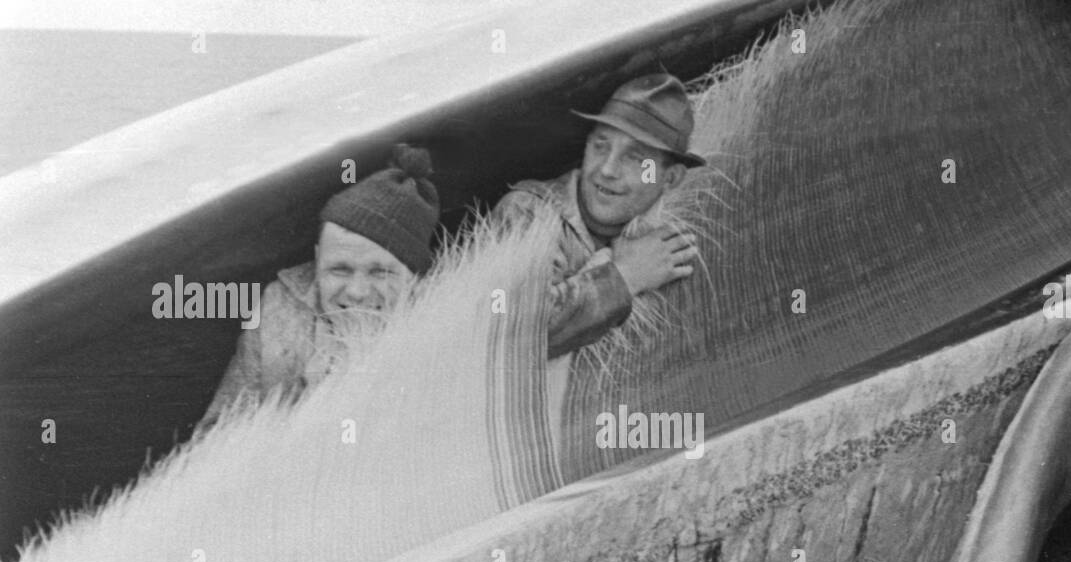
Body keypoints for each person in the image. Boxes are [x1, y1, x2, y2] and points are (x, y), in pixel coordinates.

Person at [492, 74, 705, 434]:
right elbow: (514, 337)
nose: (606, 168)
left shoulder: (664, 235)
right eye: (600, 146)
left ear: (670, 180)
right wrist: (624, 277)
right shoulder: (528, 212)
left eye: (634, 157)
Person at [200, 143, 440, 427]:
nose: (357, 292)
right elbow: (220, 429)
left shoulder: (441, 325)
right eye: (340, 270)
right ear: (317, 261)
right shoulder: (278, 307)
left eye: (380, 272)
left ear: (414, 275)